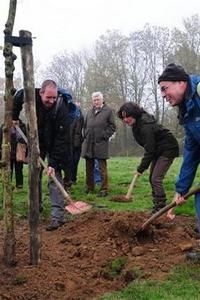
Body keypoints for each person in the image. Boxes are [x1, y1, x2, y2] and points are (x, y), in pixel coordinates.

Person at [12, 80, 76, 231]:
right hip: (37, 139)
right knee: (35, 174)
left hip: (56, 142)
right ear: (40, 92)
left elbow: (62, 139)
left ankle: (57, 217)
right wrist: (14, 117)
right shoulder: (31, 94)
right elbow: (19, 96)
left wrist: (53, 163)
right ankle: (36, 207)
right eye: (48, 97)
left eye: (54, 97)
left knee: (54, 176)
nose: (51, 101)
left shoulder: (62, 108)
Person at [158, 63, 200, 259]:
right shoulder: (187, 112)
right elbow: (192, 151)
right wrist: (181, 189)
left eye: (165, 89)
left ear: (181, 83)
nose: (164, 95)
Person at [117, 102, 179, 213]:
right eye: (123, 117)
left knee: (156, 178)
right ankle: (157, 205)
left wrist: (140, 168)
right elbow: (150, 148)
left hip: (168, 149)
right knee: (152, 178)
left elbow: (150, 149)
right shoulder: (137, 125)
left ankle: (161, 207)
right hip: (158, 150)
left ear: (134, 114)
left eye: (127, 116)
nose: (125, 119)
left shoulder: (145, 125)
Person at [81, 91, 116, 197]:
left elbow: (112, 126)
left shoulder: (108, 111)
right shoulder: (89, 112)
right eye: (94, 100)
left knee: (102, 167)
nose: (96, 102)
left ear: (102, 100)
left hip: (101, 143)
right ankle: (89, 187)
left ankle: (104, 189)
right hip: (89, 143)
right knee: (89, 167)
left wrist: (104, 135)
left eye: (98, 99)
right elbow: (85, 126)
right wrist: (85, 134)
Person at [0, 119, 27, 189]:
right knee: (8, 169)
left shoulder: (22, 126)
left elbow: (24, 138)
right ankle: (7, 185)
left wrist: (17, 128)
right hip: (8, 152)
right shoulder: (4, 126)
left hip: (19, 152)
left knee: (19, 169)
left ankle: (19, 186)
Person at [63, 100, 84, 190]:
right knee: (69, 161)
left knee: (75, 161)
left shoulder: (81, 116)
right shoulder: (69, 115)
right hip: (69, 142)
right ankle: (69, 179)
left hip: (78, 142)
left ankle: (73, 178)